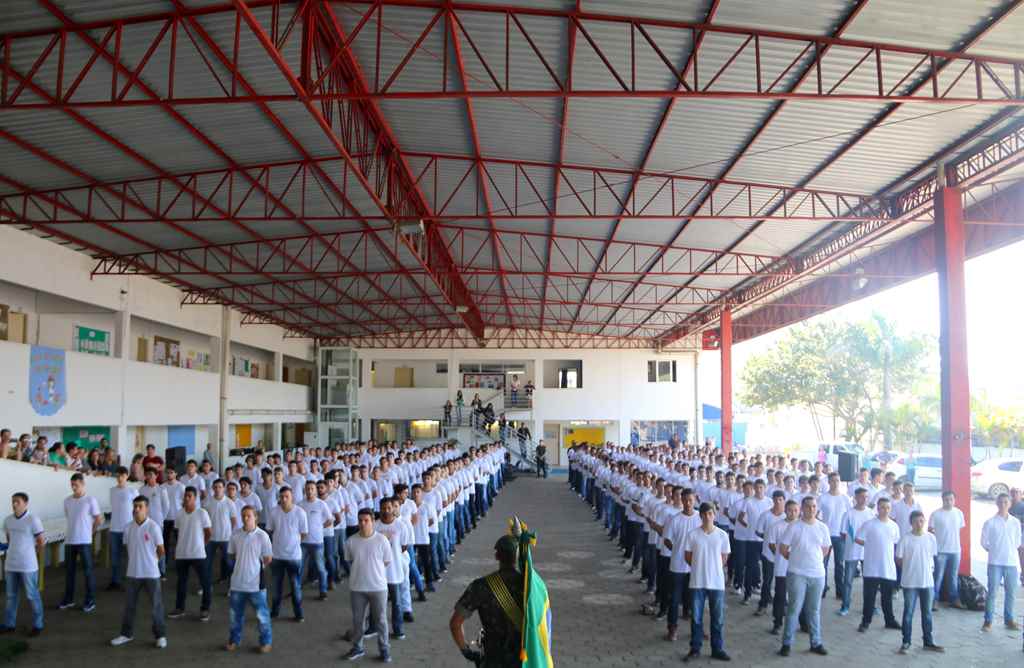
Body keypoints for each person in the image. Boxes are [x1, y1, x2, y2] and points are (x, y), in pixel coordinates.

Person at [449, 535, 523, 667]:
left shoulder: (481, 586)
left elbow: (455, 623)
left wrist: (468, 652)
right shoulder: (529, 587)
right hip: (524, 658)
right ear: (517, 557)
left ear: (497, 556)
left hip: (492, 658)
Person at [110, 496, 167, 649]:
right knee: (129, 606)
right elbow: (127, 548)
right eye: (134, 506)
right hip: (133, 574)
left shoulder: (153, 527)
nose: (136, 509)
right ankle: (126, 634)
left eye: (140, 506)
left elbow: (161, 550)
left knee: (156, 606)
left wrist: (153, 562)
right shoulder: (128, 528)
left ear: (146, 508)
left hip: (151, 574)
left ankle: (160, 636)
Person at [778, 496, 831, 657]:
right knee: (794, 608)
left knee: (814, 610)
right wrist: (795, 559)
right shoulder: (794, 527)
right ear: (802, 508)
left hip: (817, 575)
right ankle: (787, 643)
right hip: (797, 574)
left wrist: (814, 560)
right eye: (808, 506)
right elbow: (783, 548)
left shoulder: (822, 527)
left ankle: (816, 642)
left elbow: (826, 548)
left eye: (814, 506)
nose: (811, 509)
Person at [681, 502, 730, 662]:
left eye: (710, 514)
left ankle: (717, 649)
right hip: (697, 581)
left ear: (714, 515)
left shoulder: (722, 535)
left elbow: (724, 558)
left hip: (716, 583)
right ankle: (695, 648)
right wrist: (700, 566)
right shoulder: (693, 534)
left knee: (718, 618)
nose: (707, 517)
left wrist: (712, 567)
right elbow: (688, 556)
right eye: (704, 514)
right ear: (700, 516)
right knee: (696, 617)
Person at [343, 508, 392, 662]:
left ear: (372, 521)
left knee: (381, 621)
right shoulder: (351, 541)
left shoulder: (382, 540)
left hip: (378, 588)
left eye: (366, 520)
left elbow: (386, 561)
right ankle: (357, 647)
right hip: (357, 588)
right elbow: (350, 560)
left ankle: (384, 649)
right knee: (358, 620)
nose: (363, 524)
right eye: (360, 521)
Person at [226, 506, 273, 653]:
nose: (246, 519)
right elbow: (232, 554)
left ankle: (265, 642)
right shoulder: (235, 535)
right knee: (235, 616)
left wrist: (255, 568)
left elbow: (268, 558)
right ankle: (234, 640)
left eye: (249, 516)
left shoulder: (262, 536)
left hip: (256, 584)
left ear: (255, 518)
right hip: (237, 583)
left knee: (262, 616)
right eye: (244, 516)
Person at [896, 510, 944, 654]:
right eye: (916, 521)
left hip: (927, 582)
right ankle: (906, 641)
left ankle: (928, 642)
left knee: (927, 613)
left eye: (922, 521)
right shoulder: (905, 539)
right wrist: (910, 568)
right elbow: (899, 559)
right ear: (911, 523)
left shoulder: (931, 538)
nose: (919, 524)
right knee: (908, 612)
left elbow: (932, 557)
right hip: (910, 582)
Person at [2, 492, 45, 636]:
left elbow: (41, 541)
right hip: (11, 564)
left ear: (26, 503)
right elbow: (9, 540)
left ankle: (38, 625)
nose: (14, 504)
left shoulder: (33, 519)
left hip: (28, 565)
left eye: (18, 501)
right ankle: (9, 624)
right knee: (10, 596)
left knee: (32, 595)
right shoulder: (8, 520)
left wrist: (34, 557)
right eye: (13, 501)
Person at [856, 497, 901, 632]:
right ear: (878, 508)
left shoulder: (894, 526)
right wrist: (870, 545)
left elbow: (895, 543)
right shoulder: (869, 524)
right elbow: (858, 539)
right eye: (882, 507)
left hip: (887, 567)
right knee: (869, 597)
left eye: (887, 508)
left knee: (887, 597)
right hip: (871, 568)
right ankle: (865, 621)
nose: (885, 510)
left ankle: (890, 620)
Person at [980, 492, 1023, 632]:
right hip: (995, 562)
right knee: (992, 592)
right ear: (997, 504)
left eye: (1006, 502)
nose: (1003, 504)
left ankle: (1009, 619)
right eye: (1001, 502)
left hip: (1011, 562)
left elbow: (1018, 542)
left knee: (1011, 593)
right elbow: (984, 542)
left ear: (1010, 504)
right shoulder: (990, 522)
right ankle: (988, 621)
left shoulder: (1015, 522)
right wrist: (993, 550)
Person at [169, 487, 212, 621]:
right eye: (185, 496)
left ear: (195, 498)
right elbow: (176, 532)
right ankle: (179, 608)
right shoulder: (179, 513)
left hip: (198, 554)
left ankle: (205, 609)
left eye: (189, 496)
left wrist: (201, 544)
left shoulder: (202, 513)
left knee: (205, 582)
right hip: (182, 554)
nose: (186, 498)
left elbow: (208, 532)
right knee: (181, 582)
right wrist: (180, 545)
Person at [60, 473, 101, 612]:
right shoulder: (67, 500)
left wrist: (91, 532)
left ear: (83, 484)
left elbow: (98, 519)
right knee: (69, 572)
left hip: (84, 541)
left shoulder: (90, 500)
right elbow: (70, 517)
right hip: (70, 540)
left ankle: (90, 600)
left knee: (88, 572)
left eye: (76, 485)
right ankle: (68, 599)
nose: (73, 487)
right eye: (72, 485)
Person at [268, 487, 308, 622]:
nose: (284, 499)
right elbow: (270, 530)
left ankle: (299, 613)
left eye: (287, 496)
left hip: (294, 557)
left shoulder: (300, 513)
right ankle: (275, 611)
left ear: (292, 498)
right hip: (277, 556)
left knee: (295, 586)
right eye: (282, 497)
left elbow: (303, 533)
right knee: (276, 587)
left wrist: (293, 543)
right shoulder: (274, 512)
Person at [838, 487, 873, 616]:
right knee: (847, 581)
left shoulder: (871, 513)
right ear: (855, 498)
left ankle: (870, 607)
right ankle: (845, 605)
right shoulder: (848, 514)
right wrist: (852, 542)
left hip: (868, 552)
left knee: (869, 581)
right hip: (851, 552)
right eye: (861, 497)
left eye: (866, 497)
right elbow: (842, 534)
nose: (864, 499)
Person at [928, 490, 965, 608]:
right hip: (941, 550)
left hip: (955, 550)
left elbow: (960, 528)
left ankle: (953, 599)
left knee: (953, 576)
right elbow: (930, 530)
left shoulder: (959, 513)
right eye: (946, 499)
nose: (949, 502)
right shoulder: (936, 514)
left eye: (951, 499)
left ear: (954, 500)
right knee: (938, 576)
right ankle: (934, 599)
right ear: (942, 500)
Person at [817, 472, 851, 598]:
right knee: (823, 564)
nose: (835, 483)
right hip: (825, 536)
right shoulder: (822, 498)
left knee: (839, 564)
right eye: (833, 480)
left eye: (837, 480)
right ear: (829, 482)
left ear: (840, 482)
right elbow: (815, 514)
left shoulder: (845, 498)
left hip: (840, 536)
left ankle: (840, 591)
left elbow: (850, 517)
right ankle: (822, 589)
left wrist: (847, 532)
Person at [299, 480, 332, 601]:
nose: (310, 491)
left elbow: (330, 519)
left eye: (312, 489)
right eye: (307, 489)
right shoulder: (300, 504)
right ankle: (297, 589)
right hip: (303, 542)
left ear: (316, 490)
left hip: (317, 542)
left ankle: (323, 590)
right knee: (300, 567)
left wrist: (319, 527)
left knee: (320, 567)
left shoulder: (321, 504)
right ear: (305, 490)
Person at [204, 479, 240, 589]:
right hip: (211, 538)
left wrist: (229, 534)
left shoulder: (229, 502)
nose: (218, 489)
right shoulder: (207, 502)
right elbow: (204, 520)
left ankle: (233, 586)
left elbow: (234, 520)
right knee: (207, 564)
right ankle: (206, 586)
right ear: (213, 488)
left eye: (220, 487)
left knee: (229, 563)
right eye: (215, 487)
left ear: (224, 488)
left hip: (226, 538)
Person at [108, 467, 135, 591]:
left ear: (127, 476)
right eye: (117, 476)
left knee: (130, 556)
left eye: (122, 476)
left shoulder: (132, 491)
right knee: (114, 557)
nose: (119, 478)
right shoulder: (112, 490)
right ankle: (115, 581)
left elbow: (138, 509)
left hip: (128, 528)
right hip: (114, 528)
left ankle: (132, 581)